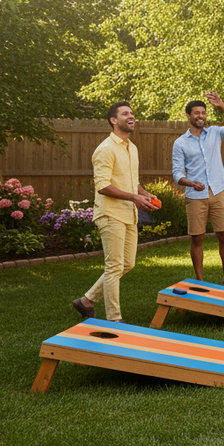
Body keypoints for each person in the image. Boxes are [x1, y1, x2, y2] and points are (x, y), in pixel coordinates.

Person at [71, 102, 157, 323]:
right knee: (114, 266)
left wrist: (144, 193)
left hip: (129, 213)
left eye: (132, 113)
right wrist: (134, 198)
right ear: (113, 120)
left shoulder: (132, 148)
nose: (131, 116)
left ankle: (87, 301)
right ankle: (114, 319)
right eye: (125, 113)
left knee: (127, 264)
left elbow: (131, 181)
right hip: (110, 214)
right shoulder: (105, 149)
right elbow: (103, 186)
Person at [171, 92, 224, 287]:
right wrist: (191, 183)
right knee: (197, 238)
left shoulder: (215, 133)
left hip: (218, 191)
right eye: (196, 113)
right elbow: (177, 174)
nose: (201, 116)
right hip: (195, 195)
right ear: (188, 115)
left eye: (203, 112)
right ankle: (200, 280)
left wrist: (221, 105)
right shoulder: (180, 143)